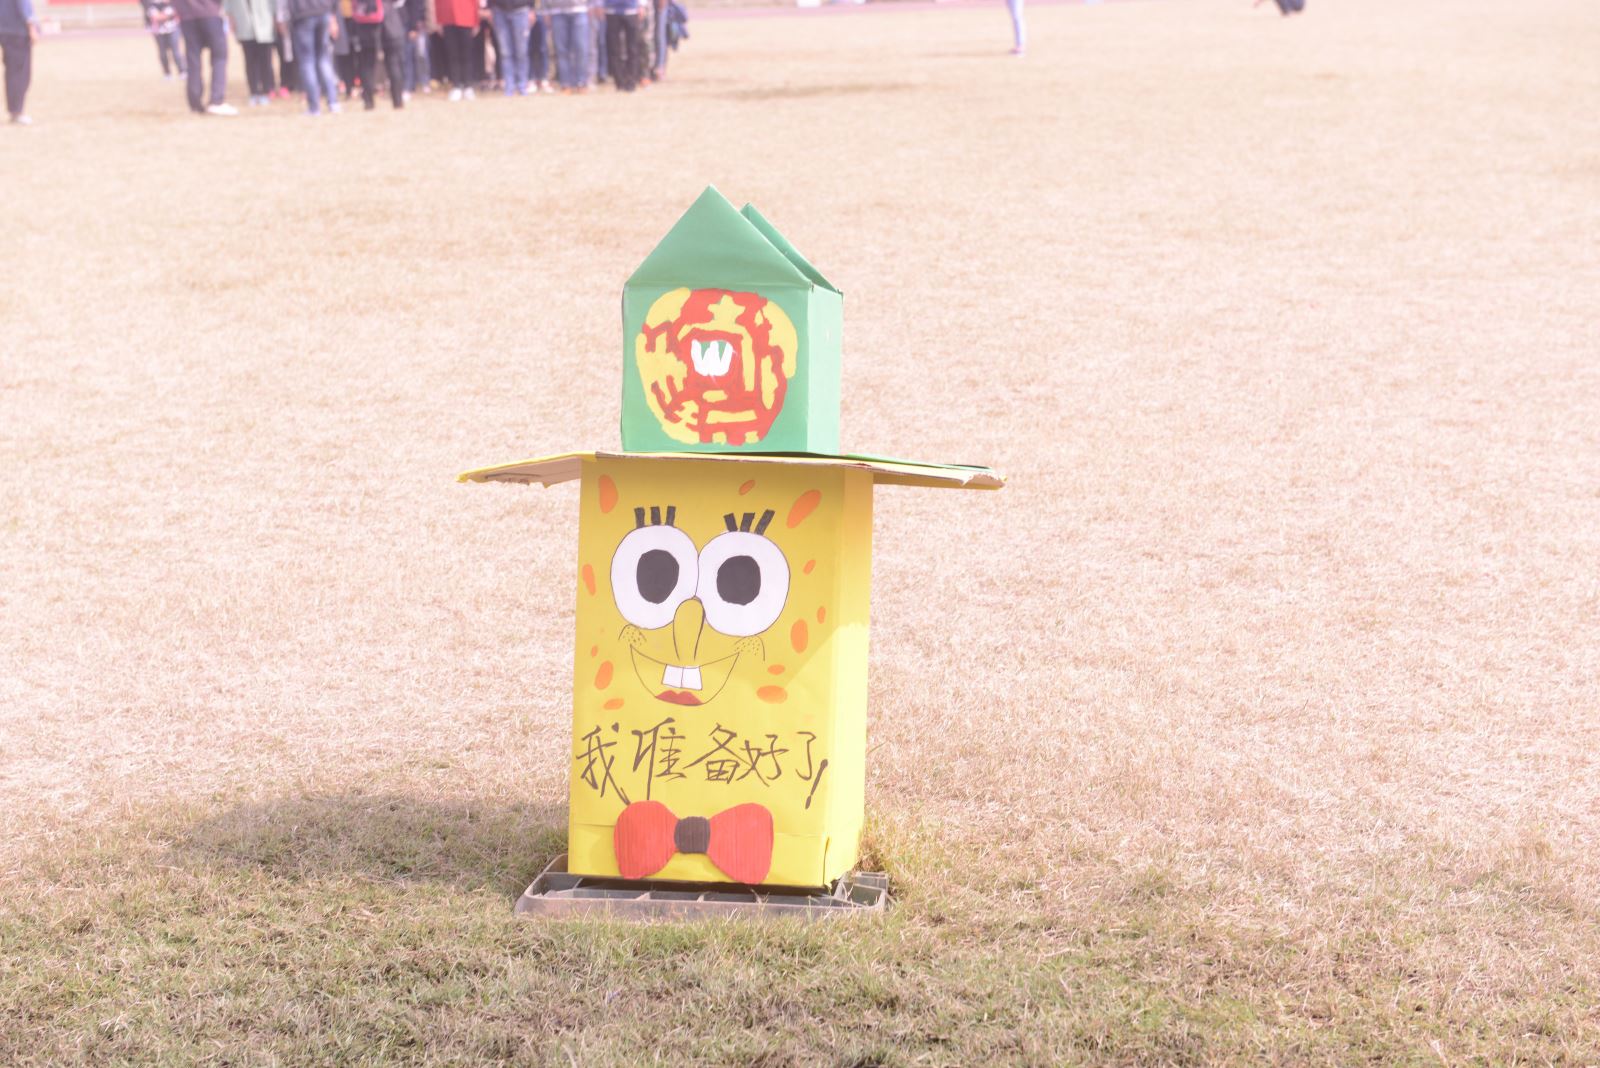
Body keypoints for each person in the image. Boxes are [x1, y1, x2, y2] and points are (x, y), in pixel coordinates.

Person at [174, 0, 238, 114]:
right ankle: (216, 101)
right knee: (219, 57)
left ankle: (195, 104)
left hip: (187, 17)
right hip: (210, 13)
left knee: (193, 61)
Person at [280, 0, 341, 114]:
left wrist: (283, 18)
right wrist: (333, 14)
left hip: (302, 15)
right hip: (323, 11)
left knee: (307, 61)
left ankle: (314, 107)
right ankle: (333, 102)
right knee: (323, 59)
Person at [348, 0, 403, 108]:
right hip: (389, 22)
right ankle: (398, 101)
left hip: (365, 25)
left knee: (366, 65)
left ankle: (368, 102)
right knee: (393, 63)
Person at [224, 0, 277, 105]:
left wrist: (275, 18)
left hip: (264, 24)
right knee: (250, 62)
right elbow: (228, 4)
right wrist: (231, 19)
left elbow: (274, 4)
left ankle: (266, 91)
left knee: (266, 61)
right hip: (245, 26)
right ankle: (254, 92)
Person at [0, 0, 36, 125]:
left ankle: (14, 110)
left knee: (11, 73)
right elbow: (24, 5)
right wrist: (32, 27)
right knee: (19, 74)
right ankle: (16, 112)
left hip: (4, 30)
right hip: (18, 31)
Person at [488, 0, 531, 96]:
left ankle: (522, 86)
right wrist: (490, 8)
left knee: (521, 52)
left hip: (521, 9)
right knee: (505, 53)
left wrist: (532, 9)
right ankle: (509, 87)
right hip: (499, 11)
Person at [545, 0, 587, 92]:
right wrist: (546, 11)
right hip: (557, 11)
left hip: (579, 10)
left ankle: (581, 83)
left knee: (581, 48)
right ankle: (565, 84)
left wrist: (595, 4)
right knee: (561, 51)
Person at [602, 0, 640, 92]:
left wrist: (642, 4)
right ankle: (619, 82)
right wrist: (600, 4)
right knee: (614, 49)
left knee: (633, 49)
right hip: (611, 10)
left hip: (631, 9)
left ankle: (631, 81)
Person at [144, 0, 186, 80]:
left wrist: (164, 15)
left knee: (176, 51)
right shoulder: (151, 3)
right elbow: (151, 13)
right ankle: (167, 73)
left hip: (172, 28)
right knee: (162, 52)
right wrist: (158, 16)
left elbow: (173, 11)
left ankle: (182, 71)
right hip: (158, 30)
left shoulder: (172, 3)